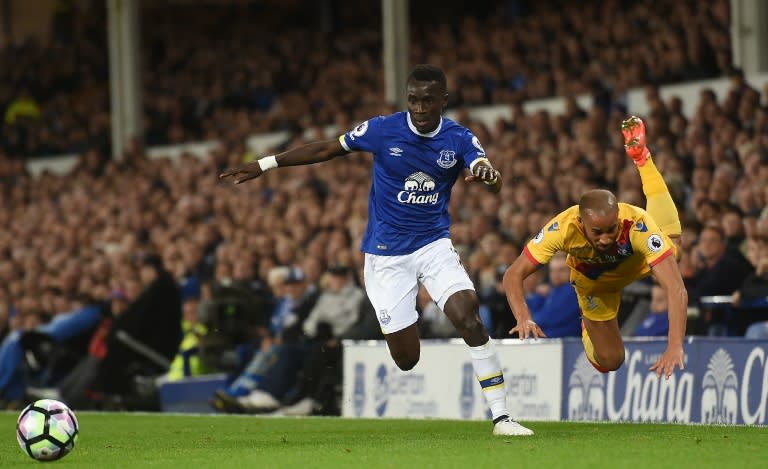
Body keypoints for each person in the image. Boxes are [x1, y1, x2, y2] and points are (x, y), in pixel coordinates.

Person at [220, 64, 533, 436]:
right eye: (413, 100)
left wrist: (489, 176)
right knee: (406, 359)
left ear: (443, 101)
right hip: (385, 256)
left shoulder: (460, 138)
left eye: (427, 101)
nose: (419, 108)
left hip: (433, 244)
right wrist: (265, 163)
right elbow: (327, 148)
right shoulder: (383, 129)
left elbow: (487, 172)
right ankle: (404, 330)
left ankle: (502, 417)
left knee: (469, 316)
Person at [503, 116, 688, 378]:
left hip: (633, 265)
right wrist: (523, 317)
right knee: (611, 361)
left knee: (675, 250)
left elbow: (676, 288)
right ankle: (588, 326)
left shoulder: (636, 224)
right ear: (581, 223)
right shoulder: (562, 228)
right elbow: (513, 274)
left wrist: (674, 345)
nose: (605, 238)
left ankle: (641, 157)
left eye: (611, 229)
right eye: (597, 232)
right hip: (595, 285)